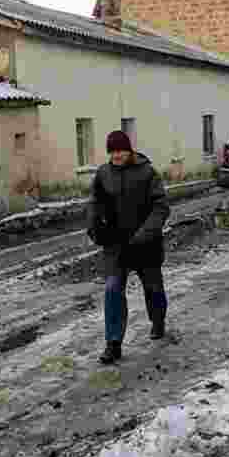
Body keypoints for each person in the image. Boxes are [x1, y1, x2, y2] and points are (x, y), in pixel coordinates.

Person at [87, 130, 170, 365]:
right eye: (111, 151)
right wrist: (93, 225)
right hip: (116, 245)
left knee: (153, 288)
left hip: (146, 245)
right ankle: (113, 344)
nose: (116, 155)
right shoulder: (103, 174)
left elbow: (161, 207)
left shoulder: (147, 172)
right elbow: (94, 201)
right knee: (113, 289)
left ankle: (158, 320)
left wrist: (145, 233)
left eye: (120, 150)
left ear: (129, 150)